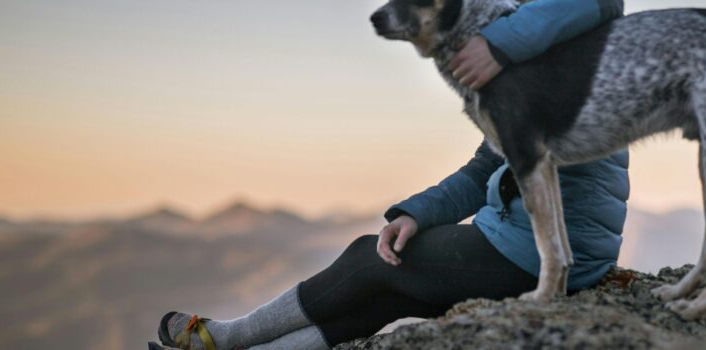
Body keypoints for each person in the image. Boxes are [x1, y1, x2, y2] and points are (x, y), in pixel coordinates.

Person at [152, 0, 628, 349]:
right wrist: (414, 214)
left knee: (370, 260)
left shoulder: (573, 46)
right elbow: (484, 166)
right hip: (522, 238)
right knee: (386, 298)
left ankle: (222, 338)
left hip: (550, 251)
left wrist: (499, 46)